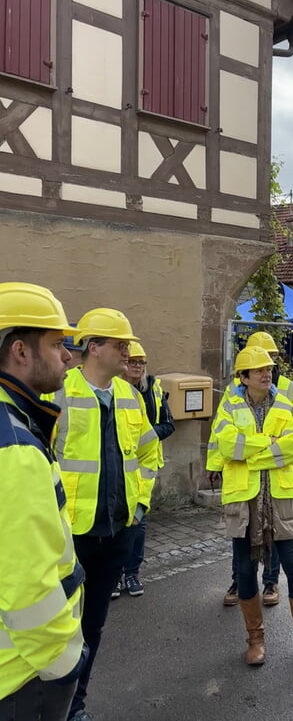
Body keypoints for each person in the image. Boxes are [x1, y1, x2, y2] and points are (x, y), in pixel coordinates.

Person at [51, 308, 159, 721]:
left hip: (117, 533)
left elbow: (151, 451)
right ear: (93, 348)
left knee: (93, 626)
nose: (128, 352)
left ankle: (75, 706)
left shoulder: (130, 395)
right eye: (121, 345)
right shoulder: (60, 392)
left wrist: (141, 502)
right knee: (59, 629)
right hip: (70, 535)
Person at [210, 344, 293, 666]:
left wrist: (250, 454)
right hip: (243, 499)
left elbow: (291, 447)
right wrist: (268, 447)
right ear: (244, 376)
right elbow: (226, 444)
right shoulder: (230, 404)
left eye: (269, 369)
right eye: (260, 370)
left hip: (279, 496)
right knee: (245, 570)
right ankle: (255, 640)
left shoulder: (284, 403)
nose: (267, 373)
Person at [0, 282, 87, 721]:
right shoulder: (13, 444)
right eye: (57, 345)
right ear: (20, 351)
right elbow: (27, 585)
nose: (69, 356)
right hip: (24, 675)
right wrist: (64, 664)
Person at [208, 330, 293, 608]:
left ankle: (270, 582)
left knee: (276, 535)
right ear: (244, 372)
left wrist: (290, 468)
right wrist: (215, 463)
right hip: (245, 481)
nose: (267, 367)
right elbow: (221, 437)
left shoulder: (288, 391)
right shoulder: (233, 393)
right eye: (261, 362)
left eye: (270, 360)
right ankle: (239, 581)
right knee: (243, 536)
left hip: (275, 478)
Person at [113, 341, 175, 598]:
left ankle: (132, 573)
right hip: (118, 463)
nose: (137, 367)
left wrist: (146, 435)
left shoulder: (153, 390)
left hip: (145, 465)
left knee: (138, 521)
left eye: (141, 363)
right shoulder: (114, 390)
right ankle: (114, 575)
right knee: (117, 520)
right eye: (133, 362)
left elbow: (168, 425)